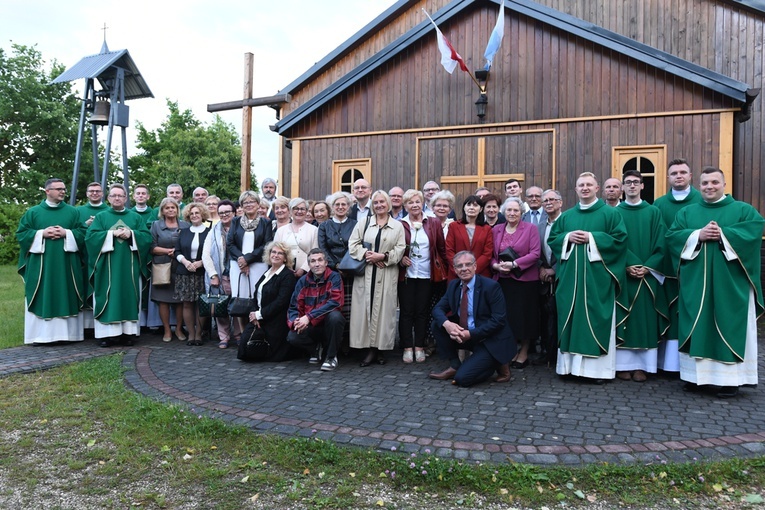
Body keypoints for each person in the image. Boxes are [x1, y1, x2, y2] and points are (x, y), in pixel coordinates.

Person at [666, 167, 764, 398]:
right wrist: (696, 235)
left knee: (728, 325)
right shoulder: (688, 213)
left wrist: (723, 234)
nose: (709, 187)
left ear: (724, 184)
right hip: (696, 284)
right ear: (699, 186)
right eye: (705, 183)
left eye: (714, 182)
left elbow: (753, 232)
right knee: (698, 325)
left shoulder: (743, 211)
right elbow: (672, 237)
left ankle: (731, 381)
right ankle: (695, 377)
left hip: (731, 285)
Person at [547, 172, 627, 382]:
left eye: (589, 185)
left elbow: (619, 241)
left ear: (597, 188)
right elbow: (553, 239)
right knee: (570, 319)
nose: (585, 188)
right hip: (570, 281)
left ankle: (596, 372)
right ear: (575, 189)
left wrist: (592, 237)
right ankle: (568, 369)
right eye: (581, 185)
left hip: (597, 281)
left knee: (596, 319)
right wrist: (567, 237)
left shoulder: (610, 214)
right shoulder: (566, 216)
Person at [429, 251, 516, 386]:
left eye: (468, 264)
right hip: (467, 335)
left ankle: (498, 363)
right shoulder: (453, 285)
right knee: (437, 324)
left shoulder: (491, 287)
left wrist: (470, 334)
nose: (464, 268)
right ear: (455, 269)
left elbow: (498, 320)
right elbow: (437, 309)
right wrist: (448, 324)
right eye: (459, 266)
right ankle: (455, 365)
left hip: (489, 339)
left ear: (475, 266)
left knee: (462, 379)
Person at [614, 170, 669, 382]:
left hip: (647, 275)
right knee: (624, 317)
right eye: (627, 183)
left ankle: (643, 367)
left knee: (644, 319)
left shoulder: (653, 212)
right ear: (622, 187)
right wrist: (628, 264)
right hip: (624, 274)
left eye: (636, 182)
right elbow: (614, 242)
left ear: (642, 186)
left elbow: (661, 242)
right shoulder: (615, 213)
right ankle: (622, 366)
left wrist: (647, 266)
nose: (632, 186)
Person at [17, 178, 86, 344]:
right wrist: (41, 234)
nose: (62, 191)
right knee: (42, 291)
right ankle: (41, 336)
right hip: (42, 264)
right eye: (58, 189)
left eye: (63, 188)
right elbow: (21, 235)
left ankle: (69, 335)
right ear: (47, 191)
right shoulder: (33, 212)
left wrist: (66, 233)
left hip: (66, 264)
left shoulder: (73, 212)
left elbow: (83, 233)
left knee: (66, 290)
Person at [85, 183, 152, 346]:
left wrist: (132, 234)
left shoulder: (135, 217)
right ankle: (106, 335)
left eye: (120, 195)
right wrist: (111, 234)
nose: (117, 198)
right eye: (113, 195)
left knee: (129, 296)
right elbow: (90, 238)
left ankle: (128, 334)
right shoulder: (101, 217)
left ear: (126, 198)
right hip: (107, 268)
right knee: (108, 296)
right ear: (108, 198)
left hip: (130, 267)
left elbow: (147, 238)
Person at [653, 158, 703, 373]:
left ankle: (693, 364)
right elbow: (657, 236)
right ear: (668, 178)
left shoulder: (702, 201)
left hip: (695, 268)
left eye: (683, 172)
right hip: (666, 268)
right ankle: (667, 364)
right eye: (674, 173)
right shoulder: (659, 204)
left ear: (691, 176)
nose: (679, 176)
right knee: (669, 312)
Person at [348, 190, 405, 367]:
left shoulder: (397, 226)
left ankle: (380, 349)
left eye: (383, 202)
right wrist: (368, 255)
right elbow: (353, 244)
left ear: (388, 204)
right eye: (376, 202)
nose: (379, 205)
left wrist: (383, 257)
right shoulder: (364, 223)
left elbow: (400, 248)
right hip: (366, 272)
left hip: (386, 273)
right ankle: (367, 349)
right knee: (364, 309)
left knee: (384, 310)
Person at [491, 197, 541, 369]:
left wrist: (514, 264)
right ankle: (511, 350)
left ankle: (524, 352)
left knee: (525, 318)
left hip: (525, 281)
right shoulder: (497, 229)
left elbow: (535, 253)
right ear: (504, 212)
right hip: (503, 281)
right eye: (509, 210)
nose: (512, 213)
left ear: (521, 212)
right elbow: (492, 255)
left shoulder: (530, 229)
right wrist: (496, 266)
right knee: (507, 318)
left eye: (516, 210)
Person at [398, 189, 447, 363]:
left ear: (422, 203)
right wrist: (400, 258)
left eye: (417, 202)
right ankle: (406, 346)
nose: (414, 205)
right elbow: (394, 248)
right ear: (405, 206)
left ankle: (419, 345)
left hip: (427, 274)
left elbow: (441, 249)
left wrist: (446, 271)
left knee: (422, 311)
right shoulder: (400, 224)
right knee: (406, 312)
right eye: (410, 202)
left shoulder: (433, 223)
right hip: (406, 276)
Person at [287, 248, 346, 371]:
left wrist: (309, 317)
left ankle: (331, 357)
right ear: (309, 265)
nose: (317, 264)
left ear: (326, 262)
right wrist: (296, 321)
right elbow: (293, 307)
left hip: (328, 325)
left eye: (320, 260)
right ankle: (314, 350)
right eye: (313, 261)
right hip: (311, 327)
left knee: (336, 317)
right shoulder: (302, 281)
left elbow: (335, 302)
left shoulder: (335, 277)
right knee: (292, 336)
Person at [241, 241, 299, 361]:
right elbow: (256, 296)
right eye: (273, 252)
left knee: (259, 352)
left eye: (280, 253)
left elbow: (281, 301)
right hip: (260, 318)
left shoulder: (287, 276)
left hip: (276, 321)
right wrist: (253, 314)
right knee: (244, 349)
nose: (276, 255)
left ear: (285, 258)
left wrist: (260, 314)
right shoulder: (267, 273)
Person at [228, 191, 274, 333]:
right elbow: (230, 243)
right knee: (241, 300)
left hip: (258, 266)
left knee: (257, 299)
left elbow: (266, 244)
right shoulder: (235, 221)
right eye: (245, 202)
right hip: (237, 266)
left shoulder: (265, 222)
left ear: (258, 204)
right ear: (241, 205)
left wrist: (247, 259)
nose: (249, 205)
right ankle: (243, 334)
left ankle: (257, 332)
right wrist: (241, 261)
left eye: (252, 202)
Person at [202, 199, 239, 349]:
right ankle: (223, 336)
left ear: (234, 212)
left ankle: (238, 335)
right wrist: (213, 275)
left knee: (238, 306)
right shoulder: (214, 230)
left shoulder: (241, 228)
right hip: (220, 273)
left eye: (227, 212)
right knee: (220, 305)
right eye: (221, 213)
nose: (224, 215)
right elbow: (206, 255)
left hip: (238, 274)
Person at [149, 198, 188, 342]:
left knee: (179, 300)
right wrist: (169, 251)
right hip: (162, 267)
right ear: (162, 211)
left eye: (173, 207)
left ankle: (178, 329)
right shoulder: (155, 225)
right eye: (167, 208)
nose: (171, 210)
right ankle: (167, 330)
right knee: (163, 300)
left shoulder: (185, 225)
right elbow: (151, 247)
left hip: (180, 267)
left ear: (178, 210)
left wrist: (178, 253)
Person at [174, 202, 211, 345]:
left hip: (202, 271)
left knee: (201, 304)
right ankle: (190, 334)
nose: (194, 215)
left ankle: (199, 334)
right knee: (187, 304)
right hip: (185, 271)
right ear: (188, 216)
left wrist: (201, 262)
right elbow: (177, 251)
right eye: (192, 213)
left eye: (197, 213)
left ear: (202, 215)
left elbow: (213, 252)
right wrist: (185, 262)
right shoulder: (183, 232)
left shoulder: (209, 232)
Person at [537, 189, 563, 364]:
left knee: (559, 317)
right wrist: (541, 268)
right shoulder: (539, 226)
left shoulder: (568, 222)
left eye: (552, 199)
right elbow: (535, 250)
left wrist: (555, 269)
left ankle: (559, 354)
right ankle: (546, 352)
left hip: (562, 277)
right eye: (545, 200)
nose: (548, 203)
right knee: (545, 317)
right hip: (543, 280)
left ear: (560, 203)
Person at [445, 195, 493, 280]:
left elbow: (487, 254)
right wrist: (460, 269)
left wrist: (472, 270)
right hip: (457, 275)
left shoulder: (487, 229)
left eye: (475, 205)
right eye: (469, 205)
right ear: (464, 208)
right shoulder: (454, 226)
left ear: (481, 209)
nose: (471, 208)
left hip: (480, 274)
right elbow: (449, 250)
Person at [274, 197, 319, 278]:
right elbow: (275, 252)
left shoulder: (314, 230)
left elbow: (315, 252)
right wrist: (286, 268)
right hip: (284, 273)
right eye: (296, 208)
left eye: (302, 209)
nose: (299, 211)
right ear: (290, 211)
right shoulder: (281, 231)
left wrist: (303, 269)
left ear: (306, 211)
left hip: (307, 274)